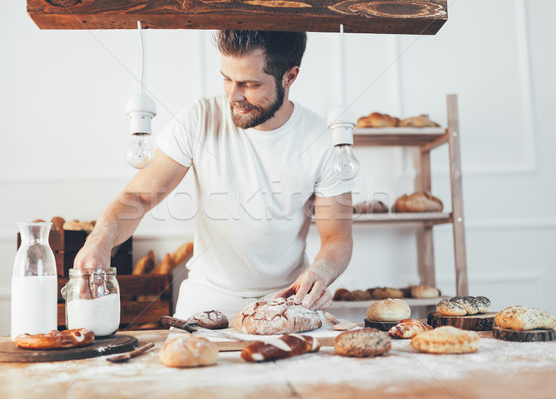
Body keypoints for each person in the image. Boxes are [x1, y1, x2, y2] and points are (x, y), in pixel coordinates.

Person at [74, 30, 354, 320]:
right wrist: (100, 242)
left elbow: (338, 239)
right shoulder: (201, 118)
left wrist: (319, 273)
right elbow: (139, 197)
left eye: (250, 84)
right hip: (208, 297)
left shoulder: (324, 138)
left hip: (287, 300)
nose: (234, 95)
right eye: (227, 79)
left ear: (290, 76)